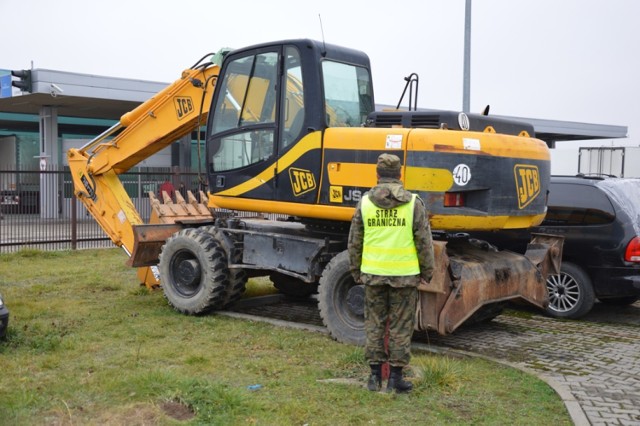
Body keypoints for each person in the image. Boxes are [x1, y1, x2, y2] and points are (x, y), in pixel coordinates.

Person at [348, 153, 435, 393]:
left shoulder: (364, 203)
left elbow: (355, 241)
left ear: (377, 175)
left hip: (373, 274)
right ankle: (396, 379)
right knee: (401, 327)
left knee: (374, 324)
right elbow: (424, 242)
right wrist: (428, 271)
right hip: (405, 276)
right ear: (400, 175)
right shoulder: (413, 203)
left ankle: (374, 377)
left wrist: (355, 269)